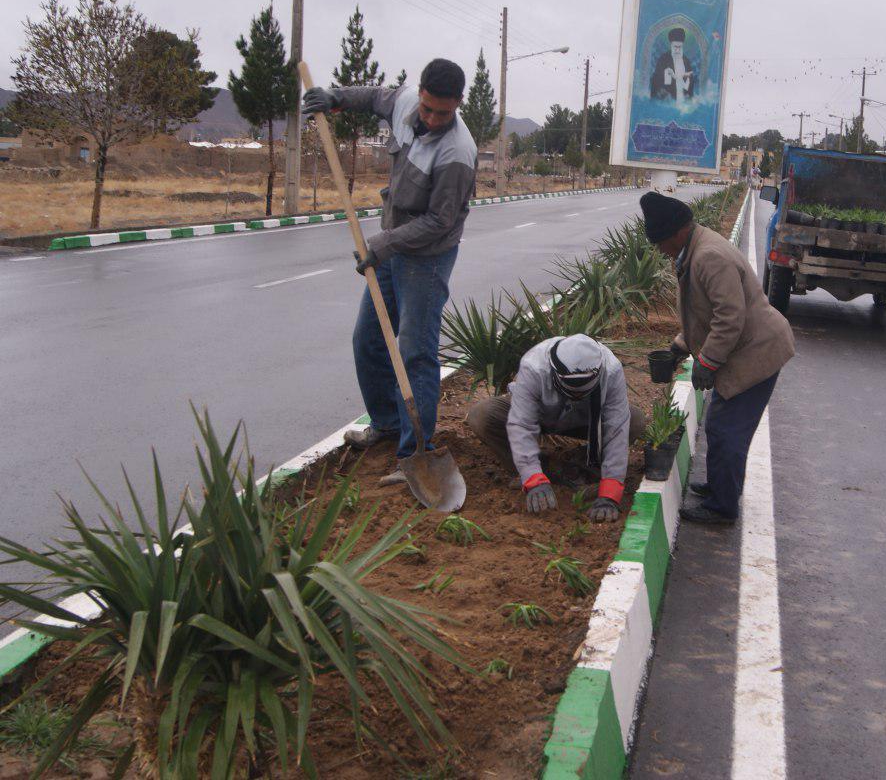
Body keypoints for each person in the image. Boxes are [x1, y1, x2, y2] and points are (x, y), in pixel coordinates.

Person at [301, 59, 476, 486]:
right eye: (428, 109)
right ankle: (386, 423)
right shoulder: (403, 105)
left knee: (416, 351)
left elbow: (439, 222)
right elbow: (376, 96)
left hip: (427, 256)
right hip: (393, 243)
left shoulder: (457, 153)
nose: (433, 119)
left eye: (444, 113)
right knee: (369, 339)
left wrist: (380, 245)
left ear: (457, 106)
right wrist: (336, 98)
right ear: (420, 94)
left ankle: (415, 449)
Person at [640, 191, 795, 525]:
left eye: (661, 242)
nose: (661, 250)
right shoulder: (694, 248)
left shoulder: (708, 256)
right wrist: (680, 346)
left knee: (727, 430)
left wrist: (707, 361)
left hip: (758, 353)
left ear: (677, 232)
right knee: (721, 424)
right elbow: (705, 313)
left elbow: (729, 317)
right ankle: (718, 488)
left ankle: (722, 508)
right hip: (746, 349)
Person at [465, 334, 646, 522]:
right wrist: (532, 478)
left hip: (587, 419)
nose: (576, 394)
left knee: (635, 420)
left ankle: (583, 463)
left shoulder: (611, 368)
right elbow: (522, 425)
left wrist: (610, 494)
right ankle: (540, 468)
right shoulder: (534, 366)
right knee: (482, 415)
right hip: (541, 416)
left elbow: (616, 427)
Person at [649, 27, 698, 103]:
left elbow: (690, 82)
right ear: (671, 45)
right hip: (666, 101)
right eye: (675, 47)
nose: (677, 50)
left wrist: (689, 97)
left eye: (680, 47)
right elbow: (656, 80)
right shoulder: (663, 60)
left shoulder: (686, 61)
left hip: (682, 101)